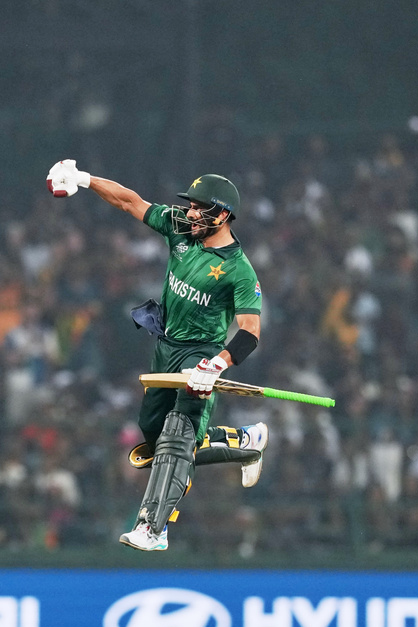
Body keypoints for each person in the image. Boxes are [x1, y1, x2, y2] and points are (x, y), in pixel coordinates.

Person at [46, 159, 269, 551]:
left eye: (201, 207)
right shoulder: (180, 231)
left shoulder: (240, 271)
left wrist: (216, 365)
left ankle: (153, 527)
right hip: (165, 347)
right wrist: (85, 179)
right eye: (191, 204)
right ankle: (245, 442)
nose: (191, 213)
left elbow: (250, 333)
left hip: (200, 354)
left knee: (177, 439)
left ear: (224, 214)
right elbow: (130, 202)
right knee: (152, 442)